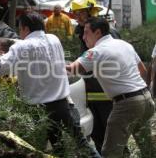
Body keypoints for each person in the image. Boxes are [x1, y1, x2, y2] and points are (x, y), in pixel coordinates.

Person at [0, 11, 100, 157]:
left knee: (34, 150)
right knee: (79, 145)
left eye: (20, 29)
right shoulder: (54, 40)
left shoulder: (22, 47)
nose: (20, 33)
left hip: (38, 110)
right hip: (62, 106)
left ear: (25, 29)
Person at [66, 17, 155, 158]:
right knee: (147, 148)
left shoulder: (96, 52)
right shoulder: (124, 44)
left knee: (110, 152)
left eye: (86, 32)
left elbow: (72, 70)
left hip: (127, 104)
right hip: (146, 100)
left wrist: (51, 64)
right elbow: (143, 72)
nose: (83, 37)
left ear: (98, 32)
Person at [70, 0, 120, 153]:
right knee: (97, 135)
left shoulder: (108, 34)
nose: (77, 17)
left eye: (81, 13)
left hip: (107, 94)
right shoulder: (83, 33)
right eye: (75, 14)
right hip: (92, 94)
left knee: (112, 136)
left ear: (91, 12)